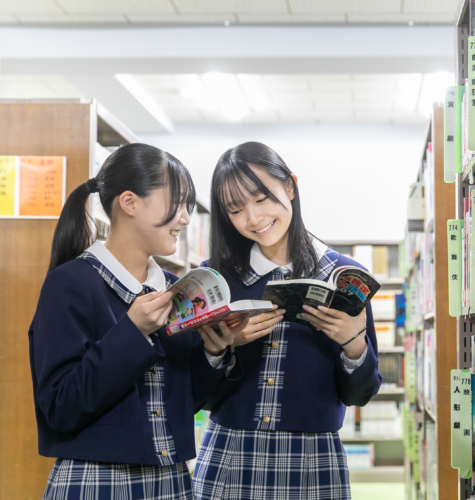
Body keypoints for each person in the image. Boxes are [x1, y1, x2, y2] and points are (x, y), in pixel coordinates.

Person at [29, 143, 245, 499]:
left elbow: (181, 403)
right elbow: (61, 407)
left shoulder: (175, 291)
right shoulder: (71, 284)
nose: (185, 219)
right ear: (129, 203)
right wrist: (132, 332)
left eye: (188, 206)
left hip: (172, 481)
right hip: (97, 481)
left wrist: (214, 354)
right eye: (176, 203)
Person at [193, 141, 382, 499]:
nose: (253, 218)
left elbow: (360, 394)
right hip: (229, 457)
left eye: (261, 198)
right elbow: (197, 396)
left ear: (290, 187)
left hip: (313, 461)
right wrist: (223, 348)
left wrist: (353, 344)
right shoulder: (214, 280)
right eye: (236, 209)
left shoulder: (345, 276)